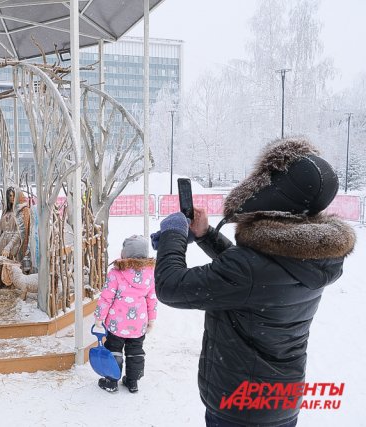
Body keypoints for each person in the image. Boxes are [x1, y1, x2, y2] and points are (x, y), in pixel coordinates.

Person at [151, 138, 356, 426]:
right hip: (280, 400)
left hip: (241, 408)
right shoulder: (312, 255)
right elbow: (256, 274)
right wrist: (206, 234)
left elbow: (171, 286)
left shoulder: (251, 269)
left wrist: (173, 233)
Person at [93, 235, 157, 393]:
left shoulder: (116, 273)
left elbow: (106, 297)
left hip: (116, 323)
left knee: (114, 349)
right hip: (139, 323)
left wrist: (99, 317)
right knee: (135, 350)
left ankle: (111, 381)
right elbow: (152, 298)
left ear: (125, 253)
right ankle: (132, 381)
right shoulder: (149, 274)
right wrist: (152, 320)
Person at [0, 187, 22, 261]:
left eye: (14, 195)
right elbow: (0, 231)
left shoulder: (19, 211)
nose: (12, 198)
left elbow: (18, 232)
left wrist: (9, 247)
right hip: (2, 242)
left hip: (14, 244)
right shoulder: (5, 211)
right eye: (10, 196)